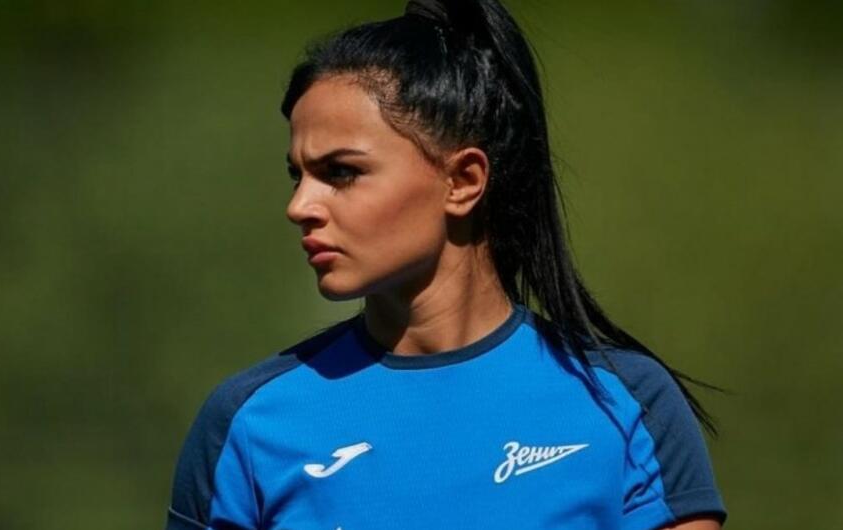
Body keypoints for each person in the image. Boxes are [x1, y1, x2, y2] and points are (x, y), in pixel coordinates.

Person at [164, 1, 728, 529]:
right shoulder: (249, 424)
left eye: (341, 172)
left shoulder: (625, 403)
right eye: (298, 175)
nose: (299, 206)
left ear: (463, 181)